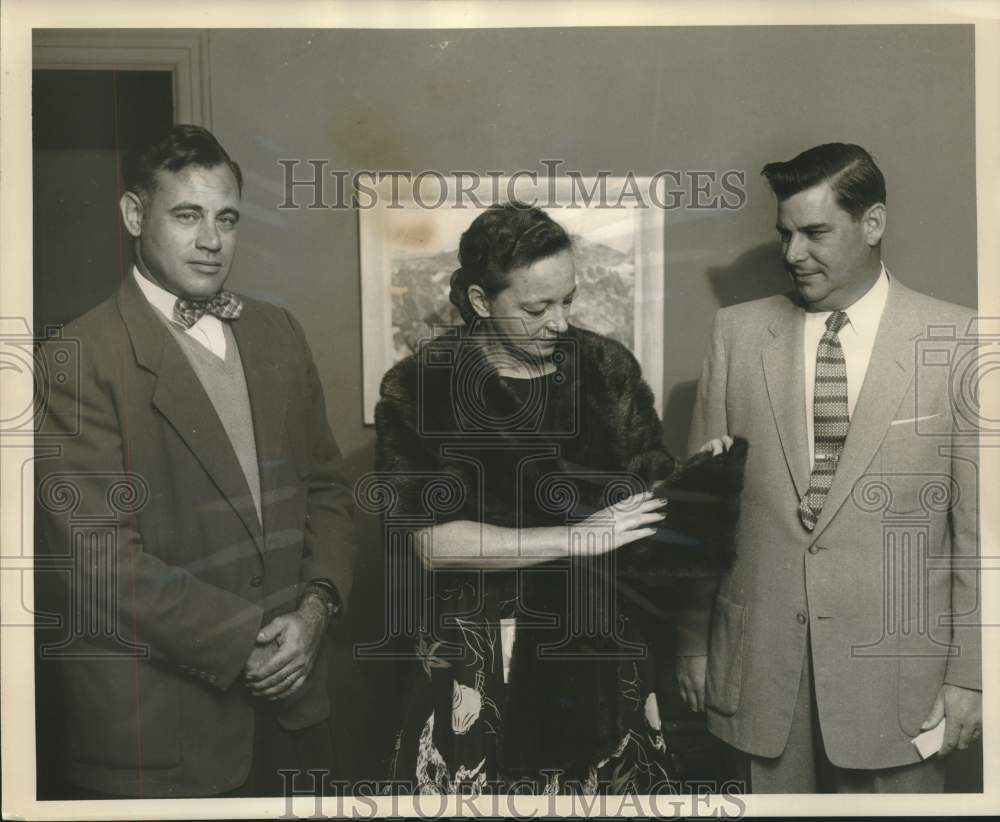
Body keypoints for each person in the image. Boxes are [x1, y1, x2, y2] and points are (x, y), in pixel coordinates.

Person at [35, 124, 356, 798]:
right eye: (187, 215)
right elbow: (100, 558)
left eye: (227, 218)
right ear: (132, 214)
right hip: (164, 738)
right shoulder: (80, 357)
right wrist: (252, 644)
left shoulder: (278, 332)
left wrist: (315, 613)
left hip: (296, 715)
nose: (212, 240)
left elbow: (327, 490)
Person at [373, 202, 729, 794]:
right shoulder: (422, 386)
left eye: (568, 300)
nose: (560, 324)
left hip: (598, 656)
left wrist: (697, 482)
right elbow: (433, 545)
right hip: (480, 660)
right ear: (482, 303)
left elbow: (648, 502)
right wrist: (581, 537)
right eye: (537, 308)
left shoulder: (606, 368)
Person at [675, 143, 981, 792]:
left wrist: (973, 676)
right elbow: (700, 517)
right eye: (785, 234)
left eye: (815, 232)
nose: (792, 254)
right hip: (756, 679)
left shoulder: (957, 343)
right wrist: (691, 647)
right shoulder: (735, 334)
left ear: (872, 224)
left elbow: (984, 535)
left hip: (903, 691)